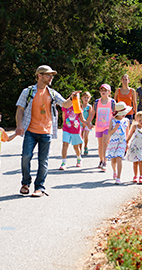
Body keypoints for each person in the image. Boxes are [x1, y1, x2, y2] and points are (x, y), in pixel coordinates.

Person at [15, 65, 75, 197]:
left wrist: (72, 98)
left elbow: (65, 104)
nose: (51, 77)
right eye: (48, 75)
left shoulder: (52, 93)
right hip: (30, 131)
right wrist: (19, 125)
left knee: (43, 161)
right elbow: (20, 109)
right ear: (39, 76)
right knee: (26, 157)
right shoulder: (28, 92)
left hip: (46, 132)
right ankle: (25, 183)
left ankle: (39, 187)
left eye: (52, 75)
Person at [87, 84, 116, 171]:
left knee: (105, 143)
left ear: (109, 92)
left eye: (105, 90)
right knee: (100, 145)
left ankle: (105, 161)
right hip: (98, 126)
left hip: (108, 126)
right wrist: (89, 122)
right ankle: (101, 160)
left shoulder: (112, 102)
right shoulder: (97, 102)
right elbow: (92, 113)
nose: (103, 91)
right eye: (101, 90)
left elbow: (115, 113)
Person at [59, 94, 91, 170]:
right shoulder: (65, 107)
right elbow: (63, 116)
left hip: (75, 130)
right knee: (65, 145)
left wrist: (88, 124)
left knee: (76, 147)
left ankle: (79, 158)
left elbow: (82, 119)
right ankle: (63, 162)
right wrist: (64, 126)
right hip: (66, 129)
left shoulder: (78, 108)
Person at [105, 102, 132, 184]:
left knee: (119, 158)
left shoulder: (126, 120)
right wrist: (115, 128)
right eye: (122, 114)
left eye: (125, 113)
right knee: (113, 161)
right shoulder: (112, 120)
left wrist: (127, 142)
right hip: (113, 141)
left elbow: (127, 132)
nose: (124, 115)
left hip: (122, 142)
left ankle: (118, 177)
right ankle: (114, 171)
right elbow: (109, 132)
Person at [126, 111, 142, 184]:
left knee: (141, 162)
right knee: (135, 162)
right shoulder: (134, 127)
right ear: (136, 120)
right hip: (134, 147)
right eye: (140, 120)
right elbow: (130, 135)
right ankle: (135, 175)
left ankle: (141, 176)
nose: (141, 122)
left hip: (141, 148)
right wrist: (126, 141)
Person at [79, 91, 93, 156]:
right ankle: (80, 148)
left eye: (87, 97)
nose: (86, 99)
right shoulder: (80, 106)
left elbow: (90, 115)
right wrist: (82, 122)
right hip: (80, 122)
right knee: (80, 136)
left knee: (86, 135)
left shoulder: (89, 107)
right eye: (85, 97)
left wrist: (86, 123)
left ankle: (85, 146)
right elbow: (79, 115)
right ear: (82, 98)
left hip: (87, 123)